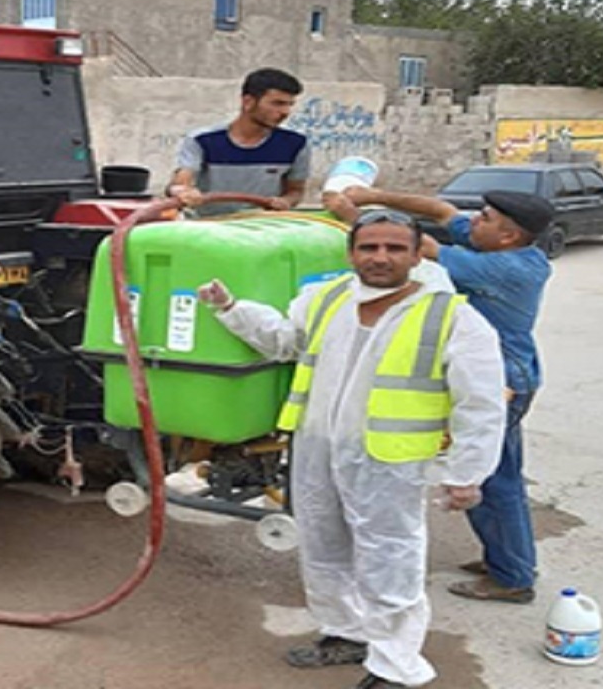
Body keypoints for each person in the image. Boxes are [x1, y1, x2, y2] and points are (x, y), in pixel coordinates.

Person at [199, 211, 506, 688]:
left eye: (394, 248)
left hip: (388, 459)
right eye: (369, 247)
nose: (380, 257)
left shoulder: (452, 317)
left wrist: (468, 472)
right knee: (323, 549)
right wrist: (231, 308)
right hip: (317, 449)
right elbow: (285, 341)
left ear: (416, 252)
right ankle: (345, 633)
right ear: (352, 254)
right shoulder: (327, 300)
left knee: (390, 559)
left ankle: (396, 665)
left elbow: (482, 403)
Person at [336, 186, 555, 605]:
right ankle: (507, 559)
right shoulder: (497, 247)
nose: (474, 221)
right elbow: (439, 210)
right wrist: (375, 194)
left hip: (502, 382)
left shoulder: (509, 268)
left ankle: (513, 575)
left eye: (485, 219)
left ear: (508, 236)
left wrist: (356, 217)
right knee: (498, 473)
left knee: (492, 479)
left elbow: (417, 247)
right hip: (509, 376)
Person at [166, 67, 310, 216]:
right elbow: (182, 180)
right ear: (248, 102)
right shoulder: (202, 140)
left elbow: (295, 190)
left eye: (289, 105)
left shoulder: (295, 143)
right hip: (207, 227)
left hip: (263, 227)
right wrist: (183, 191)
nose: (285, 112)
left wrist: (286, 201)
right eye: (277, 103)